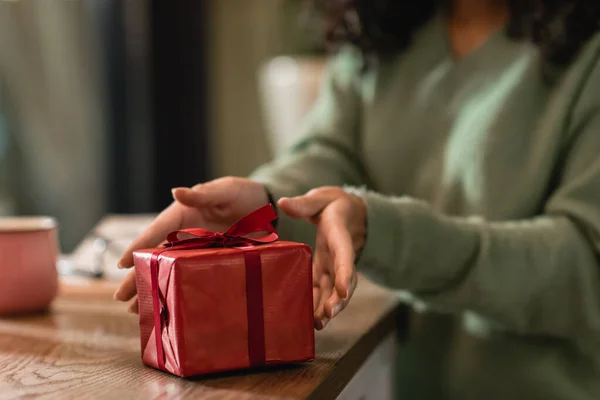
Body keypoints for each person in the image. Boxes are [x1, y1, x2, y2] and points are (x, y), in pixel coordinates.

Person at [115, 1, 600, 398]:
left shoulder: (588, 53)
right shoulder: (382, 27)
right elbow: (331, 151)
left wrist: (383, 231)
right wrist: (264, 201)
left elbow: (582, 264)